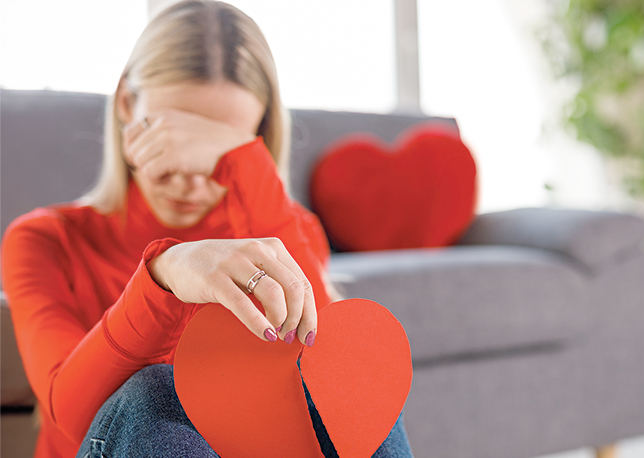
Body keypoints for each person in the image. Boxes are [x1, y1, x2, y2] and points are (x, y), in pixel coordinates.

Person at [0, 1, 413, 457]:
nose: (191, 177)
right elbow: (75, 418)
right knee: (154, 396)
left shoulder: (284, 230)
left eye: (217, 151)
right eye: (169, 137)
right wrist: (164, 275)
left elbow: (324, 372)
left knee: (352, 385)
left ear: (256, 135)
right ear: (125, 104)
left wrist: (247, 166)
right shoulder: (44, 240)